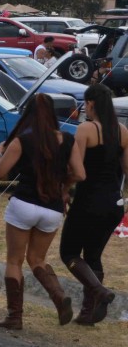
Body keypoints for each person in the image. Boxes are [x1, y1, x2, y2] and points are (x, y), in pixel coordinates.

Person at [0, 93, 82, 330]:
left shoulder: (22, 140)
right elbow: (80, 174)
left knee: (14, 260)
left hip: (23, 203)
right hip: (52, 209)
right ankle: (59, 296)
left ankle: (15, 316)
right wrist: (64, 186)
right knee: (37, 259)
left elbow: (0, 172)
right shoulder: (68, 139)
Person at [59, 84, 125, 325]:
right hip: (113, 202)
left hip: (89, 200)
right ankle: (88, 313)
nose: (84, 107)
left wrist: (64, 189)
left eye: (85, 103)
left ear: (92, 104)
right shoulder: (123, 132)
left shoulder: (86, 129)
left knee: (69, 252)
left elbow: (76, 168)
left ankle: (99, 292)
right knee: (94, 255)